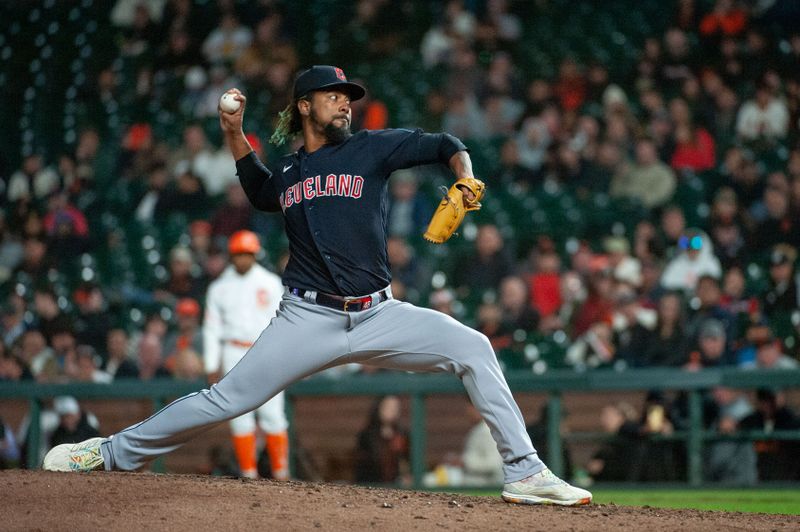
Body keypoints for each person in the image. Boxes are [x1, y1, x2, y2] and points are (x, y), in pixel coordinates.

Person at [44, 65, 591, 506]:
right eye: (333, 95)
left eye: (346, 95)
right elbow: (259, 190)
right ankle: (110, 453)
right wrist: (234, 134)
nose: (344, 102)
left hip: (380, 313)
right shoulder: (288, 173)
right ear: (304, 105)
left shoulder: (371, 148)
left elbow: (443, 142)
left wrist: (465, 175)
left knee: (472, 347)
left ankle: (525, 472)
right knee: (225, 398)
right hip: (307, 318)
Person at [203, 230, 290, 480]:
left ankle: (281, 472)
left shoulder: (270, 281)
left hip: (264, 351)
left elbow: (283, 321)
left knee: (273, 415)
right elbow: (212, 329)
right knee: (240, 418)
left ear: (255, 255)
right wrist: (211, 364)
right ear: (232, 256)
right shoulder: (219, 287)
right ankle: (248, 473)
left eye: (247, 254)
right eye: (239, 254)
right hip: (233, 351)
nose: (243, 259)